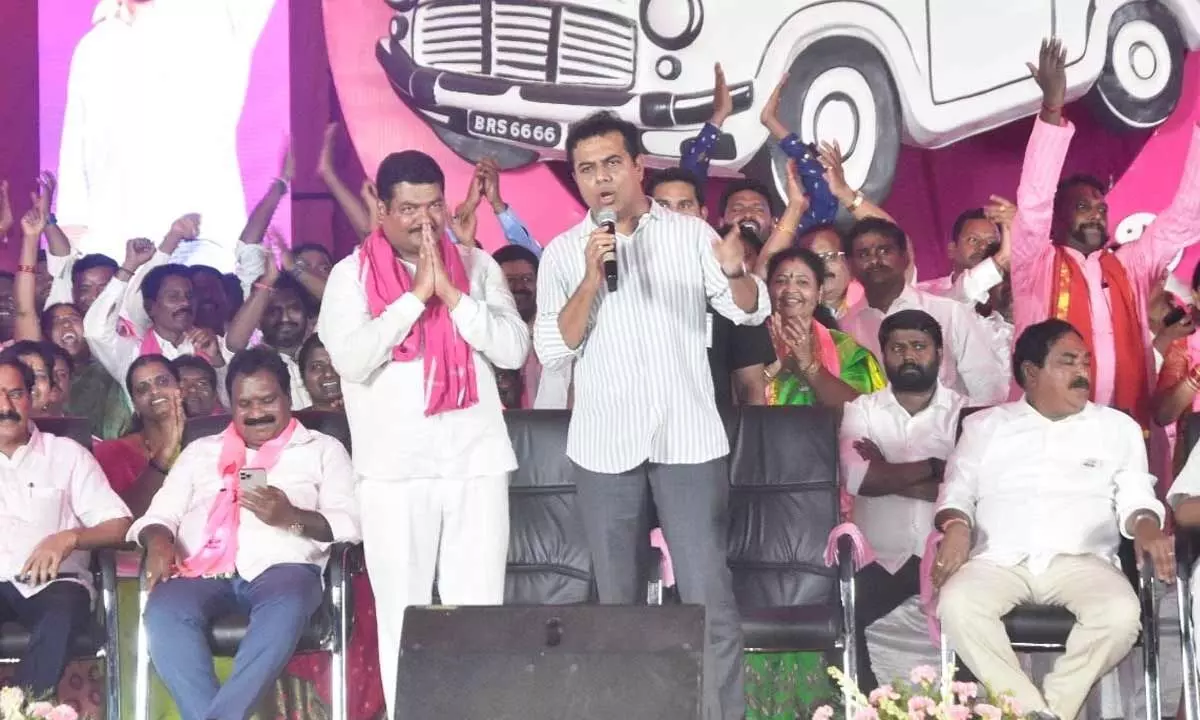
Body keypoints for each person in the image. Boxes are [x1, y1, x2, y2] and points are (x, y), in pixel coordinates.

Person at [535, 111, 768, 720]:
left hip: (686, 440)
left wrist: (736, 269)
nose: (601, 180)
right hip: (604, 447)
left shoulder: (691, 236)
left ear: (638, 167)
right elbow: (554, 350)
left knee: (708, 599)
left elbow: (746, 311)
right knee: (618, 611)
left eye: (612, 164)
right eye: (586, 170)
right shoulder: (563, 253)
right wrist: (590, 278)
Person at [318, 149, 529, 715]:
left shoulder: (478, 267)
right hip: (393, 474)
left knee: (478, 614)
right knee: (404, 619)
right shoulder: (350, 276)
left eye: (434, 204)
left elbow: (512, 350)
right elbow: (353, 358)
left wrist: (453, 296)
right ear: (382, 209)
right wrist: (415, 299)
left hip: (476, 464)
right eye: (409, 208)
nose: (425, 220)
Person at [932, 318, 1176, 720]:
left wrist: (1148, 528)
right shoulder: (984, 427)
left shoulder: (1117, 428)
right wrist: (957, 525)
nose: (1082, 372)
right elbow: (956, 492)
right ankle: (1032, 712)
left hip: (1082, 561)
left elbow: (1137, 496)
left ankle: (1043, 712)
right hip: (999, 560)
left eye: (1086, 362)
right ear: (1031, 372)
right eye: (1067, 362)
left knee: (1119, 616)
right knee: (957, 604)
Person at [131, 347, 360, 720]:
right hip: (201, 572)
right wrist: (158, 539)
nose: (256, 413)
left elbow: (350, 523)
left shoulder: (322, 449)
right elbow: (160, 514)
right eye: (245, 404)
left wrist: (292, 517)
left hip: (283, 571)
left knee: (286, 605)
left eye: (267, 400)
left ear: (289, 398)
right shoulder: (200, 451)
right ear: (231, 404)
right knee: (163, 611)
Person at [1010, 39, 1200, 431]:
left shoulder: (1131, 265)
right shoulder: (1036, 264)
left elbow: (1185, 217)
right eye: (1083, 207)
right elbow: (1033, 202)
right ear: (1059, 215)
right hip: (1053, 432)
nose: (1097, 214)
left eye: (1101, 208)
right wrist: (1052, 110)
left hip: (1128, 429)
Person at [56, 0, 278, 269]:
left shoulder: (213, 17)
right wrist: (73, 232)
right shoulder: (95, 44)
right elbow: (76, 141)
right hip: (112, 231)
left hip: (198, 227)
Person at [840, 309, 963, 690]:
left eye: (919, 346)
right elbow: (858, 478)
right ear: (883, 355)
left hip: (947, 562)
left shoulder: (964, 413)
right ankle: (869, 708)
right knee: (840, 614)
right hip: (878, 559)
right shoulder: (861, 410)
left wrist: (887, 472)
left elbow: (966, 490)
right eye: (897, 348)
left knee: (974, 617)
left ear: (939, 353)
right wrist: (934, 467)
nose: (908, 356)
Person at [0, 358, 132, 695]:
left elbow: (119, 525)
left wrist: (69, 538)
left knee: (58, 615)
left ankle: (22, 711)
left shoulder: (67, 455)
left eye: (15, 394)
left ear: (31, 396)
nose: (5, 406)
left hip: (56, 584)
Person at [840, 218, 1009, 405]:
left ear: (905, 258)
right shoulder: (846, 329)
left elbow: (988, 390)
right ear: (850, 266)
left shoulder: (948, 312)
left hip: (951, 430)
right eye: (864, 255)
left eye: (884, 251)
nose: (875, 261)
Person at [647, 167, 774, 406]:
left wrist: (750, 443)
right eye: (663, 206)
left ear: (703, 214)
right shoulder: (622, 275)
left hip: (708, 432)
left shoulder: (731, 281)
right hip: (635, 431)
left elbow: (751, 386)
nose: (674, 216)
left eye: (684, 206)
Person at [83, 238, 229, 396]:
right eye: (173, 297)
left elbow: (229, 403)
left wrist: (217, 360)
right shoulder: (132, 354)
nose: (185, 302)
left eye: (189, 295)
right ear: (150, 307)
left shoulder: (213, 345)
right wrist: (129, 266)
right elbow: (95, 331)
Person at [763, 247, 883, 409]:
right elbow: (730, 410)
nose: (791, 290)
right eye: (781, 281)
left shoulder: (848, 352)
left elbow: (865, 414)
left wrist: (810, 366)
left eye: (802, 282)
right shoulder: (749, 345)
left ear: (819, 293)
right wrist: (771, 370)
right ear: (768, 290)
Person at [93, 354, 186, 516]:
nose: (155, 391)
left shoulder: (210, 438)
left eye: (163, 381)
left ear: (181, 389)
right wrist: (163, 457)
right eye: (143, 389)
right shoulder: (112, 453)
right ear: (134, 404)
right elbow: (120, 518)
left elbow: (244, 483)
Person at [226, 257, 316, 409]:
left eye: (294, 308)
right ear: (258, 320)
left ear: (306, 313)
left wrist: (292, 267)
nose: (285, 318)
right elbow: (234, 343)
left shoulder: (323, 348)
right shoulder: (252, 359)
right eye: (273, 311)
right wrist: (268, 281)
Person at [492, 245, 571, 409]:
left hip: (553, 430)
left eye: (527, 279)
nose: (519, 287)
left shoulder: (559, 332)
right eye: (509, 281)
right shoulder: (484, 336)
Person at [0, 341, 57, 416]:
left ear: (51, 387)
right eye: (22, 373)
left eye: (40, 375)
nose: (32, 381)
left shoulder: (67, 426)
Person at [297, 334, 342, 413]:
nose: (329, 373)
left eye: (336, 363)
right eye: (317, 366)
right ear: (302, 376)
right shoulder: (298, 422)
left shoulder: (368, 414)